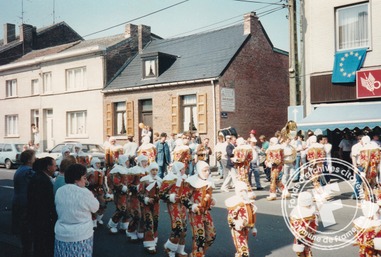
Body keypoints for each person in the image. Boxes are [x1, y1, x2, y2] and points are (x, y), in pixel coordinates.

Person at [54, 164, 99, 257]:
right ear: (76, 179)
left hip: (62, 234)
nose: (86, 181)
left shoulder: (60, 191)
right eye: (84, 178)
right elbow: (95, 207)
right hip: (81, 235)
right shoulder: (84, 192)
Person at [181, 161, 216, 257]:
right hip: (195, 213)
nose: (207, 172)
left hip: (206, 212)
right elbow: (183, 197)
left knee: (211, 236)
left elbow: (209, 195)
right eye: (205, 170)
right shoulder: (191, 181)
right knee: (199, 237)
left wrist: (212, 200)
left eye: (208, 170)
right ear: (199, 171)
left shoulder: (209, 180)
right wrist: (192, 206)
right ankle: (197, 254)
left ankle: (198, 253)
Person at [28, 157, 57, 257]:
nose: (55, 168)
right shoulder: (43, 181)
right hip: (42, 219)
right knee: (43, 244)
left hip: (36, 217)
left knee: (39, 243)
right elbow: (46, 202)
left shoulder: (39, 177)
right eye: (54, 165)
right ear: (48, 167)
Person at [159, 162, 188, 257]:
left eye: (184, 169)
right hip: (173, 205)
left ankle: (180, 249)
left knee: (184, 228)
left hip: (183, 205)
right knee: (177, 227)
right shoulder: (169, 179)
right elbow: (161, 194)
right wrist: (170, 197)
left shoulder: (185, 178)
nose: (184, 170)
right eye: (182, 169)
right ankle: (169, 248)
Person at [12, 149, 36, 257]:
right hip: (25, 202)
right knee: (27, 229)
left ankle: (25, 250)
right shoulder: (28, 171)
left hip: (17, 200)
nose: (35, 159)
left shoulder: (20, 169)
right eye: (34, 157)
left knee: (22, 229)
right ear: (29, 160)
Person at [225, 181, 257, 257]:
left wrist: (253, 228)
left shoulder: (249, 204)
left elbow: (251, 217)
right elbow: (230, 218)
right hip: (237, 230)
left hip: (246, 228)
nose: (243, 193)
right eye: (241, 191)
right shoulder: (236, 204)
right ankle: (243, 254)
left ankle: (240, 254)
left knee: (244, 243)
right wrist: (236, 224)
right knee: (242, 246)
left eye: (244, 191)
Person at [139, 162, 162, 253]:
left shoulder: (160, 180)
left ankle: (154, 236)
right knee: (149, 222)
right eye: (153, 170)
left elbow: (162, 192)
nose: (154, 172)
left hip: (156, 205)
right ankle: (149, 243)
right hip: (147, 205)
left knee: (155, 221)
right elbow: (140, 193)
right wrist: (146, 199)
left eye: (156, 170)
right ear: (149, 170)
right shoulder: (144, 180)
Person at [126, 155, 149, 241]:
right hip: (135, 196)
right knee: (136, 215)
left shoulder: (148, 171)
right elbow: (129, 184)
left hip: (144, 196)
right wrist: (137, 187)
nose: (145, 163)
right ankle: (131, 230)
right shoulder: (134, 171)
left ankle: (140, 230)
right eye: (143, 161)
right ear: (139, 162)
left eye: (146, 161)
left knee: (144, 215)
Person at [290, 191, 318, 257]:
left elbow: (294, 226)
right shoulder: (312, 212)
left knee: (302, 250)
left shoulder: (296, 213)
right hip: (307, 235)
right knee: (306, 249)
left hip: (301, 235)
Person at [107, 162, 129, 234]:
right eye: (126, 161)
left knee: (127, 210)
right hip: (119, 194)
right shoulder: (117, 170)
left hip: (126, 194)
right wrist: (123, 188)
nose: (128, 162)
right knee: (121, 209)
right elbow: (116, 182)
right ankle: (112, 224)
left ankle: (124, 224)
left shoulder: (124, 169)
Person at [87, 157, 107, 228]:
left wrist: (106, 190)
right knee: (93, 206)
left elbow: (103, 183)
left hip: (100, 191)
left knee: (103, 204)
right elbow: (86, 182)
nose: (98, 165)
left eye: (99, 163)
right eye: (97, 163)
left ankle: (98, 218)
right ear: (93, 164)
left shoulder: (101, 172)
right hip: (91, 191)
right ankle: (93, 220)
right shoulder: (89, 171)